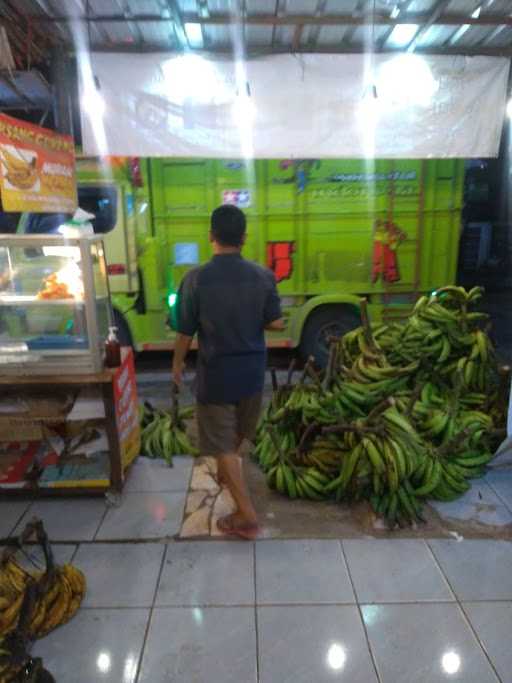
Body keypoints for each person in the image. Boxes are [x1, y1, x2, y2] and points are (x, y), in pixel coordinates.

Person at [172, 204, 284, 539]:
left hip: (217, 374)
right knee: (236, 437)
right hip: (252, 372)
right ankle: (229, 472)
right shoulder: (264, 276)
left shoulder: (195, 279)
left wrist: (177, 363)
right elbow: (276, 323)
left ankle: (246, 514)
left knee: (221, 444)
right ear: (244, 238)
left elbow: (184, 331)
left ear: (211, 237)